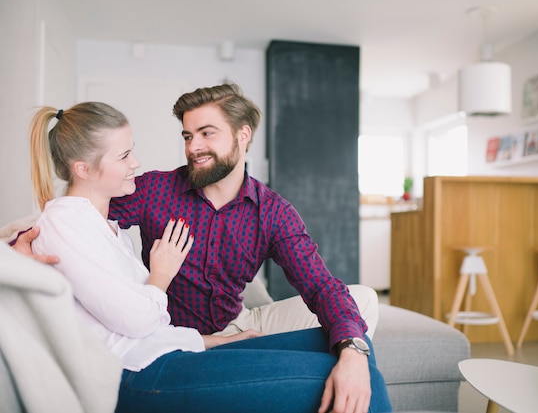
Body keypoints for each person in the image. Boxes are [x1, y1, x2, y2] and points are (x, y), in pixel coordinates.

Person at [26, 101, 391, 413]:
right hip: (149, 365)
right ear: (84, 167)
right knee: (360, 374)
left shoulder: (271, 211)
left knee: (356, 348)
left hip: (201, 334)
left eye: (207, 133)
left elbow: (321, 285)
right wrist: (15, 246)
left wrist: (212, 342)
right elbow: (61, 222)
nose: (193, 146)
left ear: (242, 135)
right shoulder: (147, 192)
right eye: (187, 136)